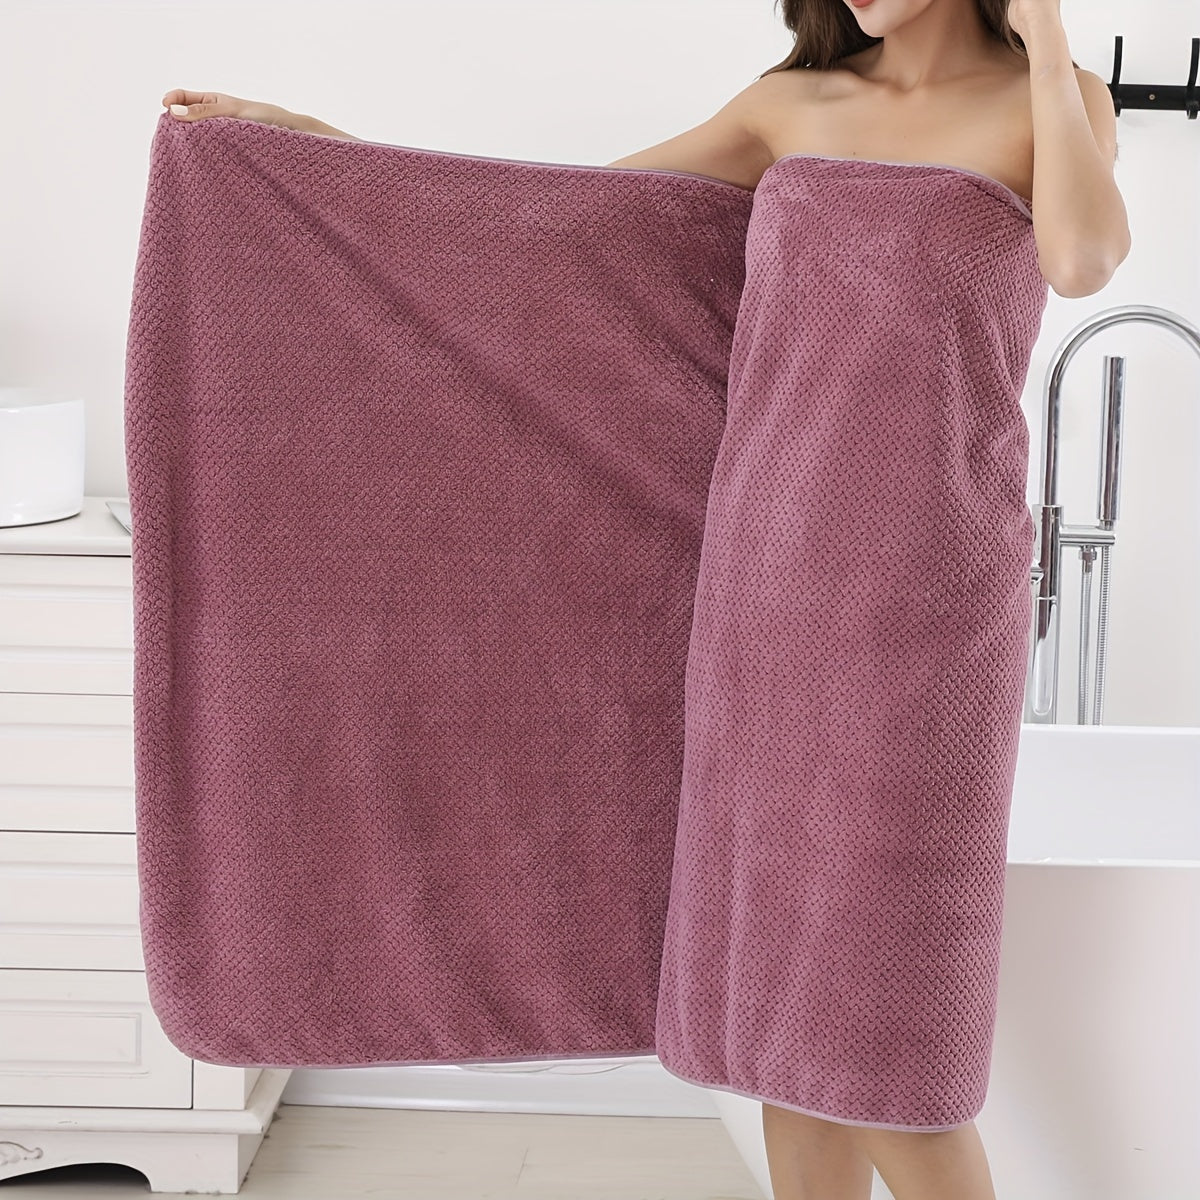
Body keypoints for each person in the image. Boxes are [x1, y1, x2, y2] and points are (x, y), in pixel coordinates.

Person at [161, 2, 1128, 1197]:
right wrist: (313, 151)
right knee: (779, 1019)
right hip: (765, 590)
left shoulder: (1055, 102)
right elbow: (546, 227)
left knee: (893, 1042)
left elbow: (1083, 261)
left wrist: (1044, 41)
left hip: (929, 602)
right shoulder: (790, 108)